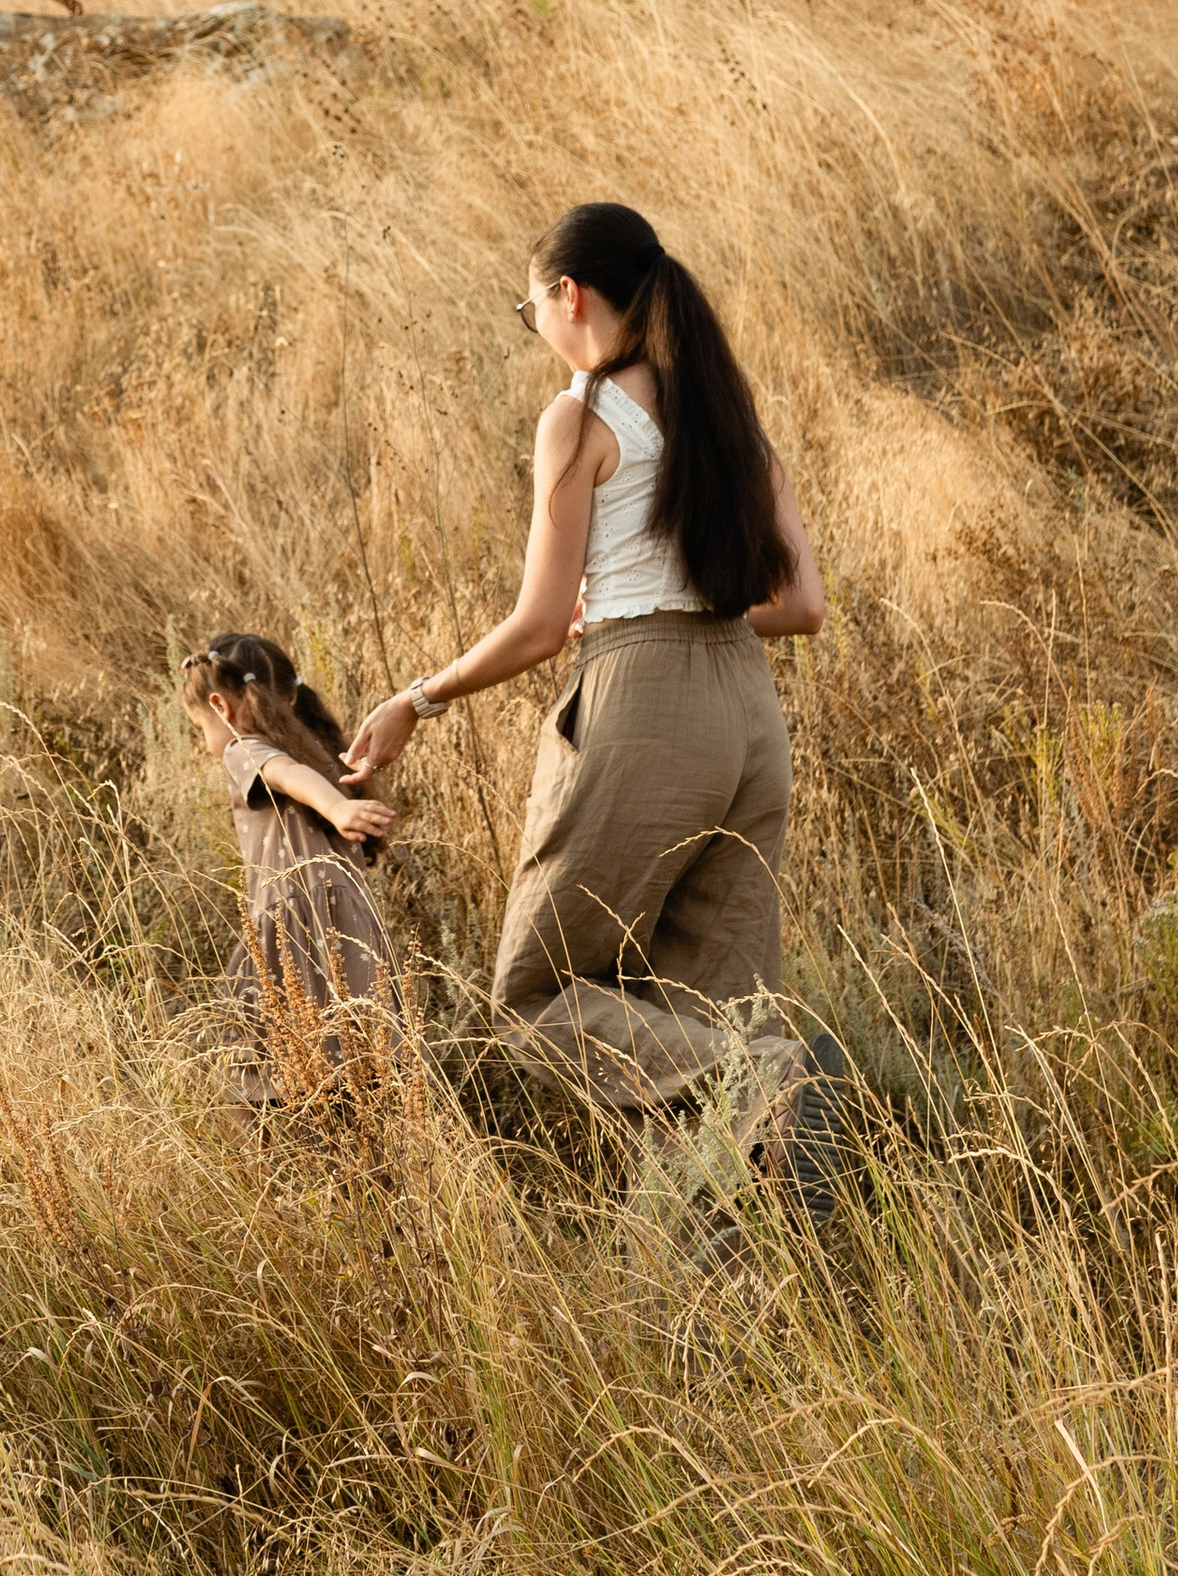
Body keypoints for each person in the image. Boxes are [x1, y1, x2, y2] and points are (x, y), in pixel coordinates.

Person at [342, 203, 840, 1205]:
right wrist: (645, 600)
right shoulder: (729, 417)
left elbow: (532, 625)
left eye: (529, 314)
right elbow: (801, 607)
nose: (537, 333)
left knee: (533, 999)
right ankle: (721, 1281)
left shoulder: (580, 414)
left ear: (569, 297)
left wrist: (415, 700)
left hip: (643, 705)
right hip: (747, 713)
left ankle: (772, 1079)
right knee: (708, 1014)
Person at [181, 633, 408, 1109]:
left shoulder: (243, 748)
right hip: (348, 923)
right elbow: (295, 772)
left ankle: (292, 1166)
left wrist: (337, 810)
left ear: (220, 706)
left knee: (265, 1076)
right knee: (363, 1062)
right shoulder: (316, 747)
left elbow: (283, 774)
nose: (204, 744)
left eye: (197, 727)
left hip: (290, 923)